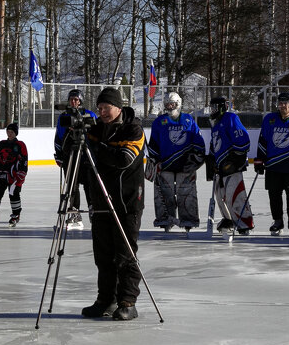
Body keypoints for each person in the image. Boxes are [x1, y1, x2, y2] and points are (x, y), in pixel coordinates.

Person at [68, 86, 146, 320]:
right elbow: (74, 159)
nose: (102, 112)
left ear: (118, 107)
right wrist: (74, 138)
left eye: (106, 108)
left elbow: (123, 160)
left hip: (126, 201)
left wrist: (93, 146)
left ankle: (128, 301)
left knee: (125, 254)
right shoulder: (96, 129)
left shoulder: (134, 129)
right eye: (99, 108)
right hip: (100, 199)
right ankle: (106, 299)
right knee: (103, 255)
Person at [146, 91, 205, 232]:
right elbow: (153, 144)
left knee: (187, 193)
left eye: (172, 104)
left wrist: (195, 159)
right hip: (165, 165)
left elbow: (198, 142)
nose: (169, 106)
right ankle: (166, 219)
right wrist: (154, 161)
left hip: (185, 166)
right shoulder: (159, 122)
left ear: (178, 104)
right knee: (164, 194)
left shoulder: (188, 120)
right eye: (167, 104)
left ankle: (189, 220)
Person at [255, 91, 289, 236]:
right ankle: (277, 221)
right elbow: (263, 141)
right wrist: (260, 160)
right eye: (280, 103)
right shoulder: (270, 119)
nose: (282, 106)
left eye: (285, 103)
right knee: (274, 194)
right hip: (273, 165)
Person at [207, 95, 255, 234]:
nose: (212, 110)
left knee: (235, 193)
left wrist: (235, 159)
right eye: (211, 107)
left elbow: (243, 140)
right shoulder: (215, 122)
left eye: (215, 107)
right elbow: (214, 142)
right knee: (220, 194)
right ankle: (228, 219)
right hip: (221, 164)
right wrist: (212, 159)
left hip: (232, 164)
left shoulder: (230, 118)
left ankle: (244, 222)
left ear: (222, 107)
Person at [54, 88, 96, 229]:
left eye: (76, 99)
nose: (73, 102)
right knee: (72, 185)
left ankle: (93, 210)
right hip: (69, 155)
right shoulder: (64, 117)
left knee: (90, 185)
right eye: (71, 99)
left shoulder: (89, 114)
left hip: (86, 156)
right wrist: (59, 154)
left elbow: (96, 135)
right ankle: (74, 214)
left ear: (81, 101)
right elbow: (58, 137)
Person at [0, 121, 29, 227]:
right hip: (1, 174)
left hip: (14, 176)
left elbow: (24, 160)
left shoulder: (20, 145)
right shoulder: (2, 143)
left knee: (14, 195)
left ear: (16, 133)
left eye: (12, 132)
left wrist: (22, 174)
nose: (9, 134)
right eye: (8, 131)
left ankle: (16, 215)